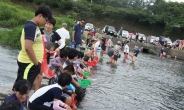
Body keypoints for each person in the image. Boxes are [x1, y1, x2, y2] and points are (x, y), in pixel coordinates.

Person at [14, 5, 52, 92]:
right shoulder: (31, 27)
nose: (45, 23)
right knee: (23, 89)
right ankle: (15, 105)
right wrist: (36, 63)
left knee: (22, 87)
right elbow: (27, 47)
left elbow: (22, 40)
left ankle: (15, 104)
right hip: (29, 63)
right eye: (46, 20)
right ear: (40, 16)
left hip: (30, 63)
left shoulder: (34, 26)